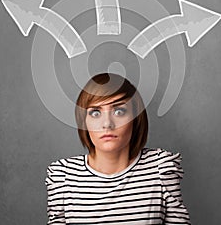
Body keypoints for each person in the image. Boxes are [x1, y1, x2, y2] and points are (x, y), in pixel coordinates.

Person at [45, 73, 191, 224]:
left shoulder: (161, 169)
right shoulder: (63, 177)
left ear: (136, 119)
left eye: (119, 111)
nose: (107, 123)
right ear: (84, 122)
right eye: (95, 113)